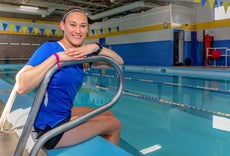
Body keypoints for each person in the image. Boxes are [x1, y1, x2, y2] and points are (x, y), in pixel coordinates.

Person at [16, 6, 124, 150]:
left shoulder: (83, 55)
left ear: (87, 28)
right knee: (114, 125)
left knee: (107, 113)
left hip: (62, 113)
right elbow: (21, 86)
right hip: (48, 128)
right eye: (73, 25)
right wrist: (57, 58)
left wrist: (94, 48)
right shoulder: (51, 49)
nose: (78, 31)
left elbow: (119, 62)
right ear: (63, 26)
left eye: (83, 26)